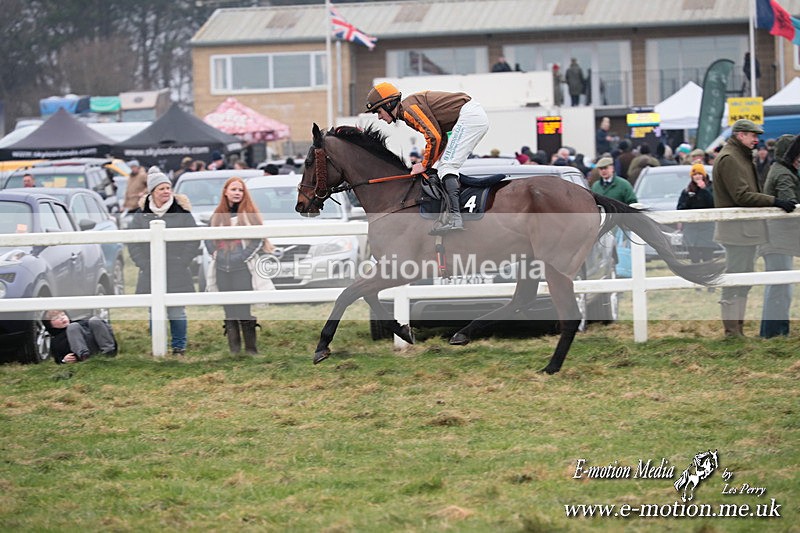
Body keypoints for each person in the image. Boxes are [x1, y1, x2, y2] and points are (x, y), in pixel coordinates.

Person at [365, 81, 489, 234]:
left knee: (447, 167)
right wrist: (430, 164)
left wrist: (424, 164)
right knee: (440, 168)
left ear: (389, 104)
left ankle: (455, 219)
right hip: (471, 116)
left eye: (379, 111)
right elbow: (441, 136)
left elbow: (434, 137)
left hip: (469, 117)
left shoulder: (409, 110)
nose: (379, 117)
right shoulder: (407, 111)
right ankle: (448, 215)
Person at [712, 119, 796, 337]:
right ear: (741, 135)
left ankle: (736, 330)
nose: (756, 140)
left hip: (745, 231)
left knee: (743, 281)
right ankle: (732, 332)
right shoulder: (731, 158)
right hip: (737, 231)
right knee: (735, 281)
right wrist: (775, 201)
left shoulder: (739, 156)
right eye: (753, 135)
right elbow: (741, 195)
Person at [127, 167, 199, 355]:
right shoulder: (140, 215)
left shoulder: (182, 213)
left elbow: (193, 239)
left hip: (177, 269)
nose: (166, 191)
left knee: (177, 312)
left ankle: (179, 348)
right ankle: (158, 347)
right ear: (152, 192)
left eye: (168, 188)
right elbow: (132, 242)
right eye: (162, 188)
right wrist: (144, 263)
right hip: (150, 269)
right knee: (154, 312)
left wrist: (182, 261)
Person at [206, 177, 274, 354]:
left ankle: (251, 349)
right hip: (222, 268)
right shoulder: (217, 215)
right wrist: (215, 253)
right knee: (229, 309)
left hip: (242, 269)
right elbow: (207, 237)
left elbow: (258, 239)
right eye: (234, 189)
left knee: (244, 308)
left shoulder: (250, 213)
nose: (237, 193)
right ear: (226, 191)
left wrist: (242, 256)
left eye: (240, 190)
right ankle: (234, 350)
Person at [759, 134, 800, 338]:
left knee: (779, 287)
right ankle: (773, 333)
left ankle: (774, 332)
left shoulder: (780, 170)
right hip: (778, 241)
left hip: (778, 240)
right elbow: (790, 204)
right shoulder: (784, 174)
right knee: (780, 289)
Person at [677, 164, 716, 269]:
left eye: (699, 173)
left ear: (704, 175)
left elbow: (713, 204)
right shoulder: (687, 191)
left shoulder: (712, 188)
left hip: (707, 228)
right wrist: (690, 198)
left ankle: (710, 282)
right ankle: (697, 281)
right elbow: (680, 208)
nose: (697, 176)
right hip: (691, 229)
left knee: (707, 258)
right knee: (694, 258)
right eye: (695, 174)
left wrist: (704, 190)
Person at [44, 310, 117, 364]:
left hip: (100, 346)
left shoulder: (81, 323)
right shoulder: (56, 341)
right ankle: (84, 356)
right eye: (56, 318)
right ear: (50, 324)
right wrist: (64, 360)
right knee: (73, 327)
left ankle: (109, 352)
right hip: (83, 355)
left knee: (94, 320)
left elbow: (102, 331)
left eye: (63, 315)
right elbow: (58, 358)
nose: (62, 318)